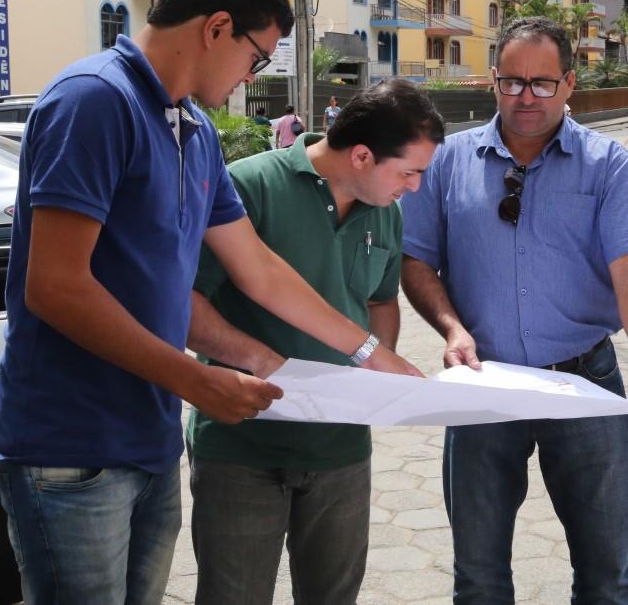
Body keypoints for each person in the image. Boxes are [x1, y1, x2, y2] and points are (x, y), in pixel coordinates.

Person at [0, 0, 419, 605]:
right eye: (257, 55)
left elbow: (258, 269)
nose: (252, 75)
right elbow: (55, 286)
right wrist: (196, 382)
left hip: (147, 442)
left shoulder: (192, 129)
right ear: (216, 27)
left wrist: (364, 351)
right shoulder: (95, 102)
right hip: (70, 449)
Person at [400, 16, 628, 604]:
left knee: (606, 577)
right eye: (513, 81)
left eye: (543, 83)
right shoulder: (446, 162)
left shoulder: (608, 165)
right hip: (483, 385)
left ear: (570, 83)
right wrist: (450, 328)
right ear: (493, 81)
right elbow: (416, 261)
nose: (526, 96)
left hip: (585, 382)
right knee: (478, 578)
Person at [186, 78, 444, 605]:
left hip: (340, 452)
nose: (415, 187)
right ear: (363, 156)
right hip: (242, 446)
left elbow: (379, 300)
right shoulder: (248, 188)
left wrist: (375, 376)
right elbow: (184, 305)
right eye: (410, 171)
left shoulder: (385, 212)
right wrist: (263, 365)